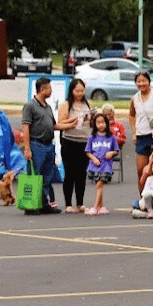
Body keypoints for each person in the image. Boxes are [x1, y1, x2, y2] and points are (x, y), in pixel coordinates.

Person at [19, 77, 62, 214]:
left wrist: (71, 123)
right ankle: (30, 205)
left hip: (49, 145)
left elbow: (54, 125)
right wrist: (27, 148)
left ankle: (43, 203)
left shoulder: (47, 107)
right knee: (34, 175)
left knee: (47, 176)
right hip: (36, 145)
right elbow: (26, 126)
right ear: (42, 89)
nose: (51, 91)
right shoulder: (30, 106)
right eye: (49, 88)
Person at [56, 78, 93, 212]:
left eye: (82, 91)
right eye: (77, 91)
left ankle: (80, 203)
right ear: (71, 91)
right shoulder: (66, 105)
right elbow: (60, 123)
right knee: (70, 173)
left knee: (81, 173)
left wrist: (90, 117)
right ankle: (68, 204)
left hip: (84, 141)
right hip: (69, 141)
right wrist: (74, 120)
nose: (79, 93)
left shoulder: (86, 104)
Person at [85, 112, 119, 215]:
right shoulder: (92, 137)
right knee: (98, 185)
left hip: (106, 165)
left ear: (107, 123)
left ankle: (95, 207)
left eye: (103, 122)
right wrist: (93, 158)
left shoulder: (111, 137)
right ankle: (101, 206)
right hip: (95, 165)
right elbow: (88, 151)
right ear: (95, 124)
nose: (101, 125)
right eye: (98, 122)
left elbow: (116, 150)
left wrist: (111, 153)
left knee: (100, 184)